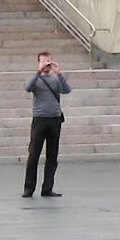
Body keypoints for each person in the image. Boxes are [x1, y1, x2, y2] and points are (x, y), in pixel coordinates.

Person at [23, 51, 71, 196]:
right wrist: (38, 72)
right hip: (40, 119)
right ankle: (28, 188)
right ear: (38, 63)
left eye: (49, 61)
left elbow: (67, 90)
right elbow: (28, 87)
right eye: (44, 62)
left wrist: (59, 74)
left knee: (52, 156)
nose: (46, 65)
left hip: (55, 119)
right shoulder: (36, 79)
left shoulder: (56, 79)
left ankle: (47, 188)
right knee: (33, 155)